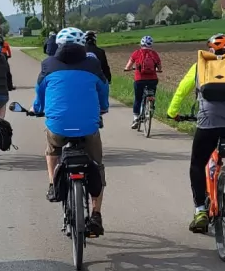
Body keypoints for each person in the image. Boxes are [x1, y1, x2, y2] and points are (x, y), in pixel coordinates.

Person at [167, 33, 225, 233]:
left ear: (210, 50)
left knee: (197, 163)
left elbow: (182, 90)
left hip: (209, 122)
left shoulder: (200, 66)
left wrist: (172, 112)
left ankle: (200, 210)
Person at [33, 26, 109, 237]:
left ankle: (52, 184)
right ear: (82, 44)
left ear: (58, 45)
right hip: (88, 127)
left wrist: (38, 109)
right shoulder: (93, 64)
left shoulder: (48, 64)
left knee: (52, 150)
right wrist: (104, 106)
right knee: (97, 164)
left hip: (58, 127)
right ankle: (96, 214)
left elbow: (39, 92)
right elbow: (103, 89)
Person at [123, 34, 162, 128]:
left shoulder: (136, 53)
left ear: (141, 44)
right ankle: (151, 106)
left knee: (138, 99)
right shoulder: (154, 54)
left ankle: (136, 118)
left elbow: (128, 66)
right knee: (152, 94)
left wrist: (127, 69)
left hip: (139, 80)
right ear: (151, 45)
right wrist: (158, 70)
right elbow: (159, 67)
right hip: (152, 79)